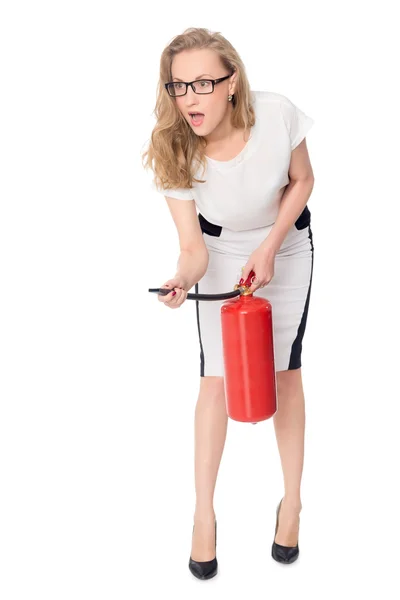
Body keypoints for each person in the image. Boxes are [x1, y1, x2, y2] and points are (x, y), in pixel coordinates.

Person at [142, 27, 315, 578]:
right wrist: (180, 279)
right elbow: (193, 249)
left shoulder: (277, 113)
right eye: (178, 87)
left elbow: (303, 180)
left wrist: (268, 248)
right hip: (220, 248)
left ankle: (292, 504)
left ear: (232, 81)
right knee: (214, 379)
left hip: (285, 243)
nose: (189, 98)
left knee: (285, 372)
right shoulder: (173, 145)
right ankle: (203, 516)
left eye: (202, 83)